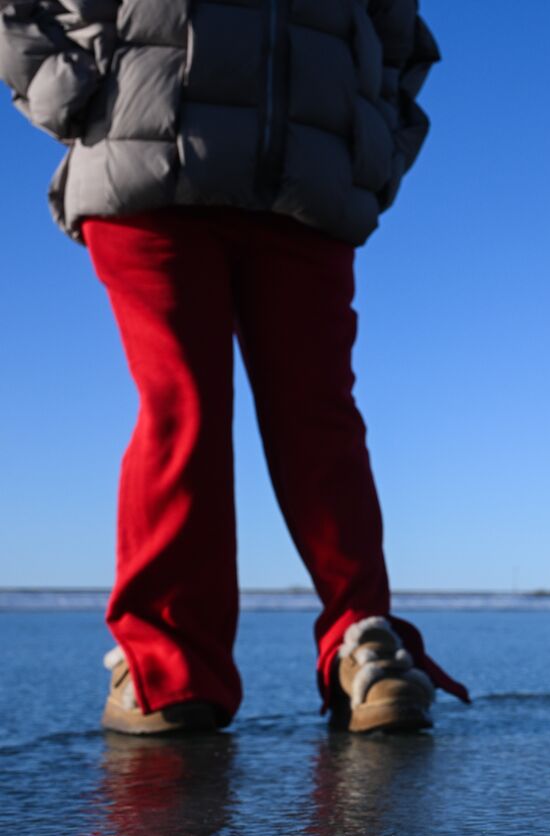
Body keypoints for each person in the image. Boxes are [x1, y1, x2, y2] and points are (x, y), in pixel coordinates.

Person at [0, 0, 470, 734]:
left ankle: (362, 639)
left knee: (320, 419)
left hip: (304, 185)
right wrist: (81, 93)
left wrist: (366, 139)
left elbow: (400, 38)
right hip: (148, 162)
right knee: (181, 405)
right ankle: (166, 662)